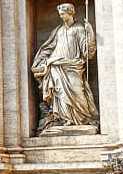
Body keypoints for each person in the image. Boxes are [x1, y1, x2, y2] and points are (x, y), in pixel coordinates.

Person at [31, 2, 99, 135]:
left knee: (78, 92)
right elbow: (49, 47)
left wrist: (89, 31)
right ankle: (64, 119)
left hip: (73, 65)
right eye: (60, 14)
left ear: (71, 13)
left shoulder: (79, 29)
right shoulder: (58, 31)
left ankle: (82, 118)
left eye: (63, 14)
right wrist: (41, 60)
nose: (61, 17)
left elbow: (87, 52)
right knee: (60, 93)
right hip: (56, 65)